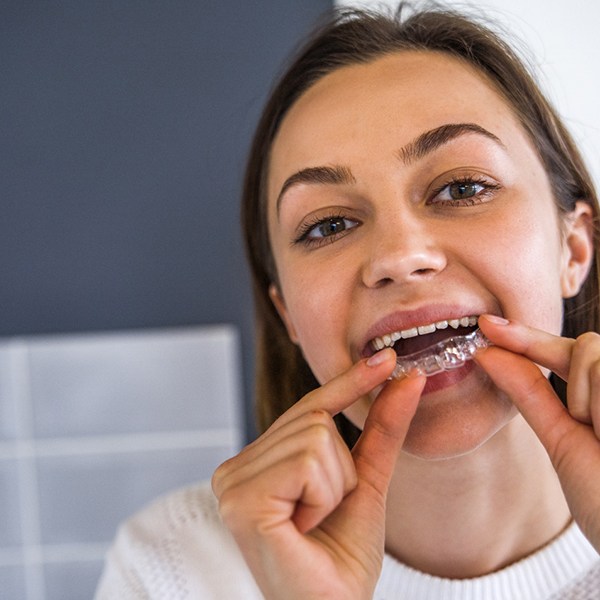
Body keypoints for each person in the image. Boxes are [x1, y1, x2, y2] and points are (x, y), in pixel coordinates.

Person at [95, 4, 600, 598]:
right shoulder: (171, 569)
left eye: (462, 188)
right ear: (287, 315)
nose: (398, 256)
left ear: (573, 248)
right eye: (328, 225)